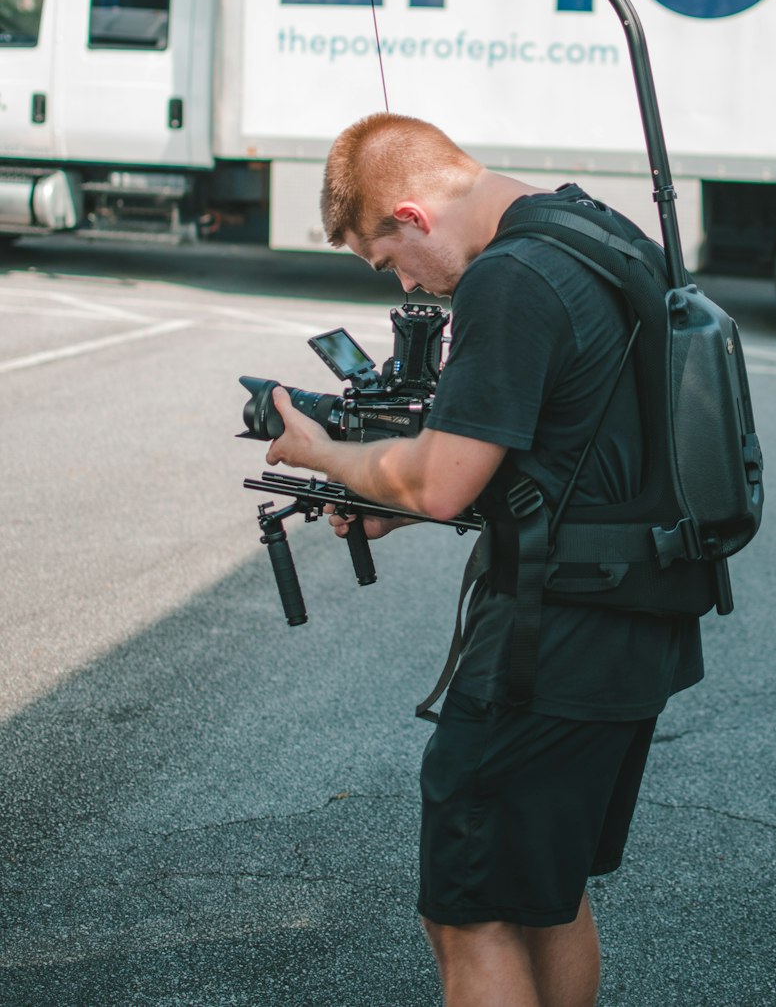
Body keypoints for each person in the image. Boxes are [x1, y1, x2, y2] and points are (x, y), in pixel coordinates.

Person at [264, 112, 704, 1007]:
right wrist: (395, 503)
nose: (409, 290)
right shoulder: (590, 229)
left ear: (413, 215)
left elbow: (438, 483)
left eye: (389, 264)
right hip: (634, 613)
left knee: (469, 911)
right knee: (543, 894)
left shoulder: (509, 278)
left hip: (555, 641)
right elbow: (575, 452)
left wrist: (317, 455)